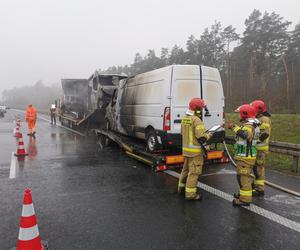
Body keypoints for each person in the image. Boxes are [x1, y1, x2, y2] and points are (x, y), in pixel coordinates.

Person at [178, 98, 212, 201]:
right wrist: (209, 134)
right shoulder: (197, 120)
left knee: (185, 170)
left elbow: (182, 133)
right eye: (201, 108)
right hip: (196, 152)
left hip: (186, 151)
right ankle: (190, 194)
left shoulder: (185, 118)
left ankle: (181, 188)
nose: (201, 110)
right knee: (194, 173)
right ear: (197, 108)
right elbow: (201, 137)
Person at [228, 104, 260, 206]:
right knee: (241, 177)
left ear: (244, 114)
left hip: (246, 157)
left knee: (244, 178)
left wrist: (234, 127)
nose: (239, 116)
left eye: (240, 113)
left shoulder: (249, 126)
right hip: (244, 156)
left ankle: (245, 200)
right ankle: (243, 195)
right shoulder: (252, 124)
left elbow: (245, 136)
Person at [250, 100, 271, 196]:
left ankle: (260, 189)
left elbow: (265, 133)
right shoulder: (259, 118)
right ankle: (255, 185)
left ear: (259, 110)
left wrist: (256, 141)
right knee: (255, 168)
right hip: (257, 149)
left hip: (261, 149)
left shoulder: (264, 119)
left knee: (259, 169)